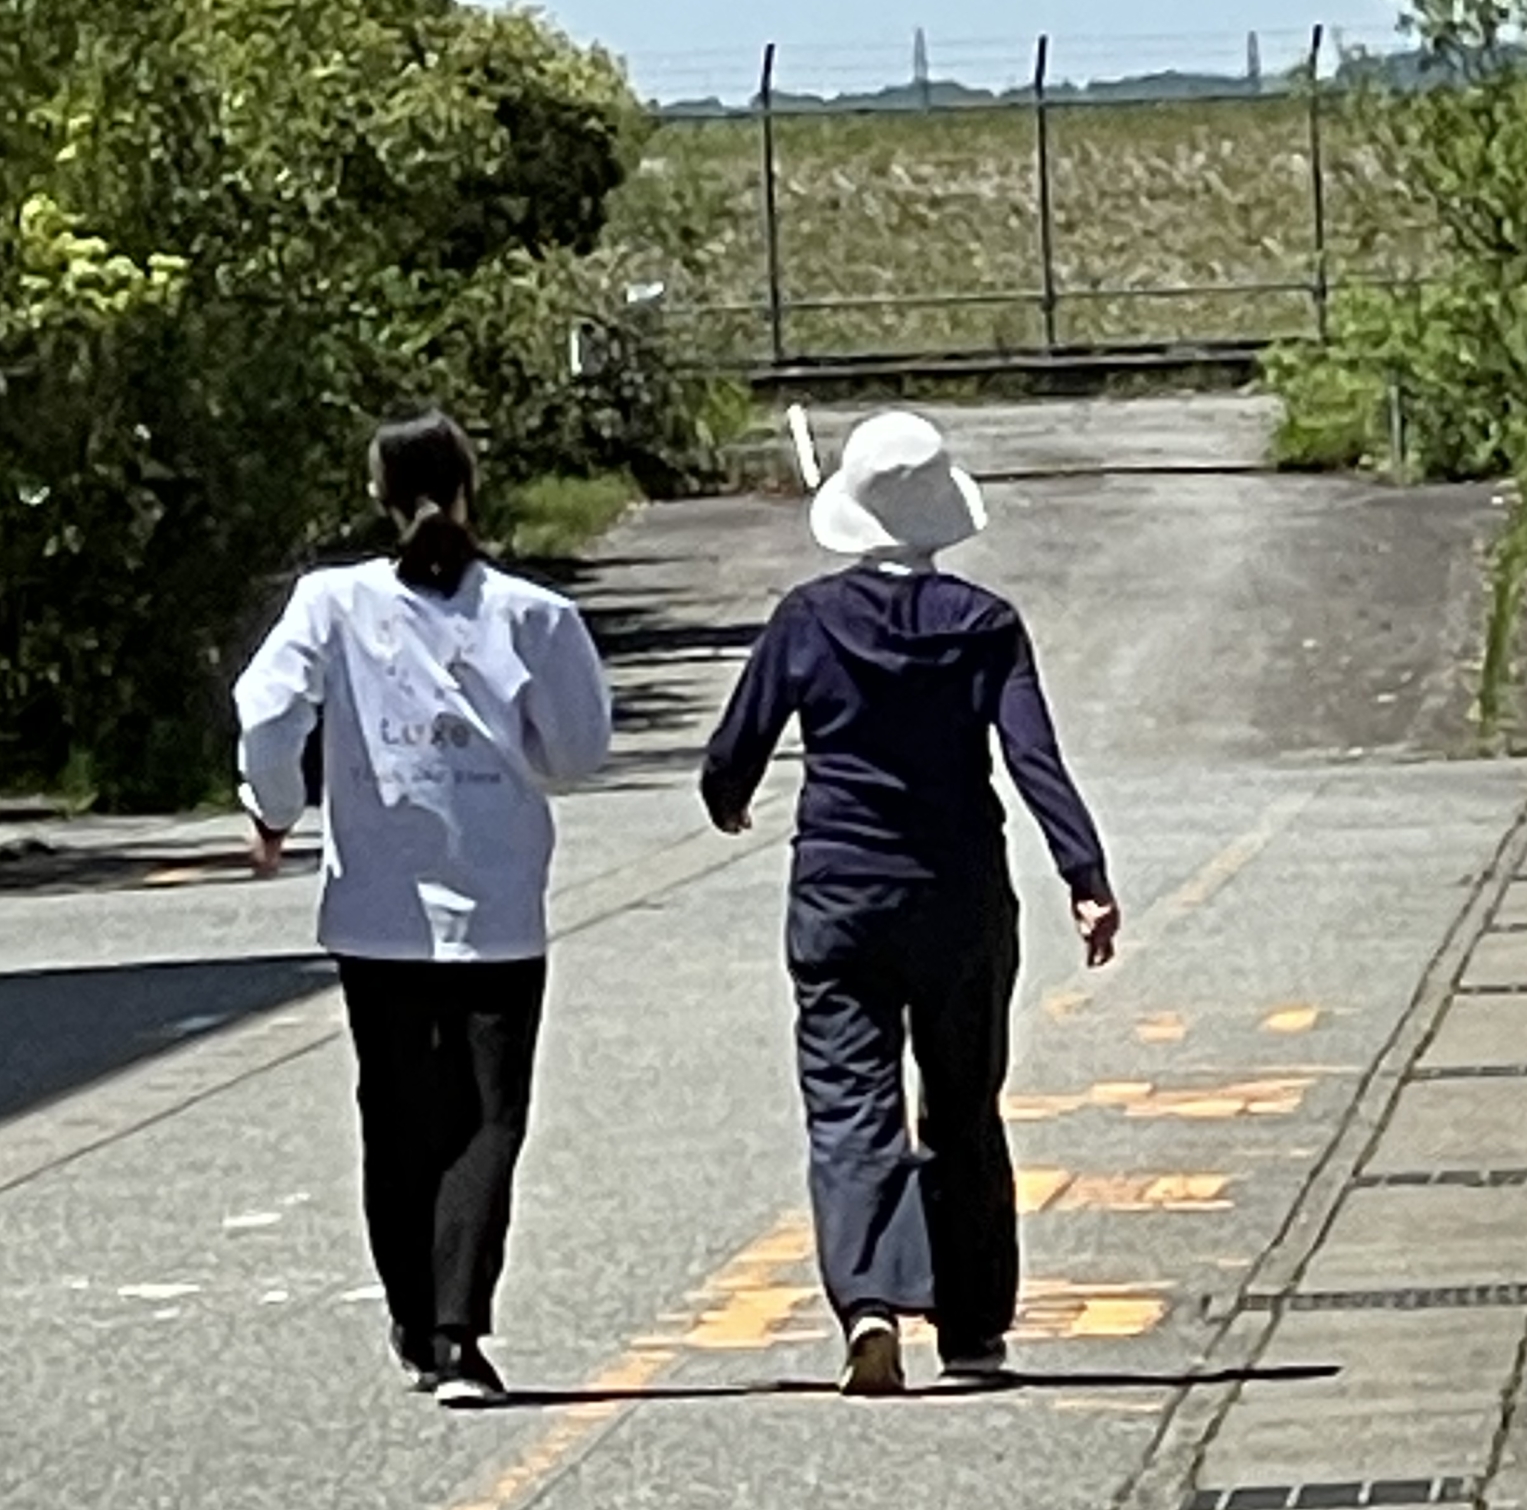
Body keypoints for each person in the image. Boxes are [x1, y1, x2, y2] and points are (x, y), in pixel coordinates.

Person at [700, 408, 1118, 1396]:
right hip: (961, 894)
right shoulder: (985, 624)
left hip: (840, 892)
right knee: (963, 1104)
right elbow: (1032, 757)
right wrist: (1084, 873)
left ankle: (870, 1303)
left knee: (852, 1104)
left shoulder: (807, 618)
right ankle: (971, 1328)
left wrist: (728, 800)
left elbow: (736, 750)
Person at [233, 409, 612, 1405]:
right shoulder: (532, 614)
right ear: (471, 488)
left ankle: (412, 1315)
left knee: (397, 1116)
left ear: (378, 496)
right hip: (499, 906)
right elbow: (575, 753)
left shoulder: (332, 602)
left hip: (375, 909)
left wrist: (273, 807)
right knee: (488, 1119)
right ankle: (457, 1332)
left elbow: (268, 712)